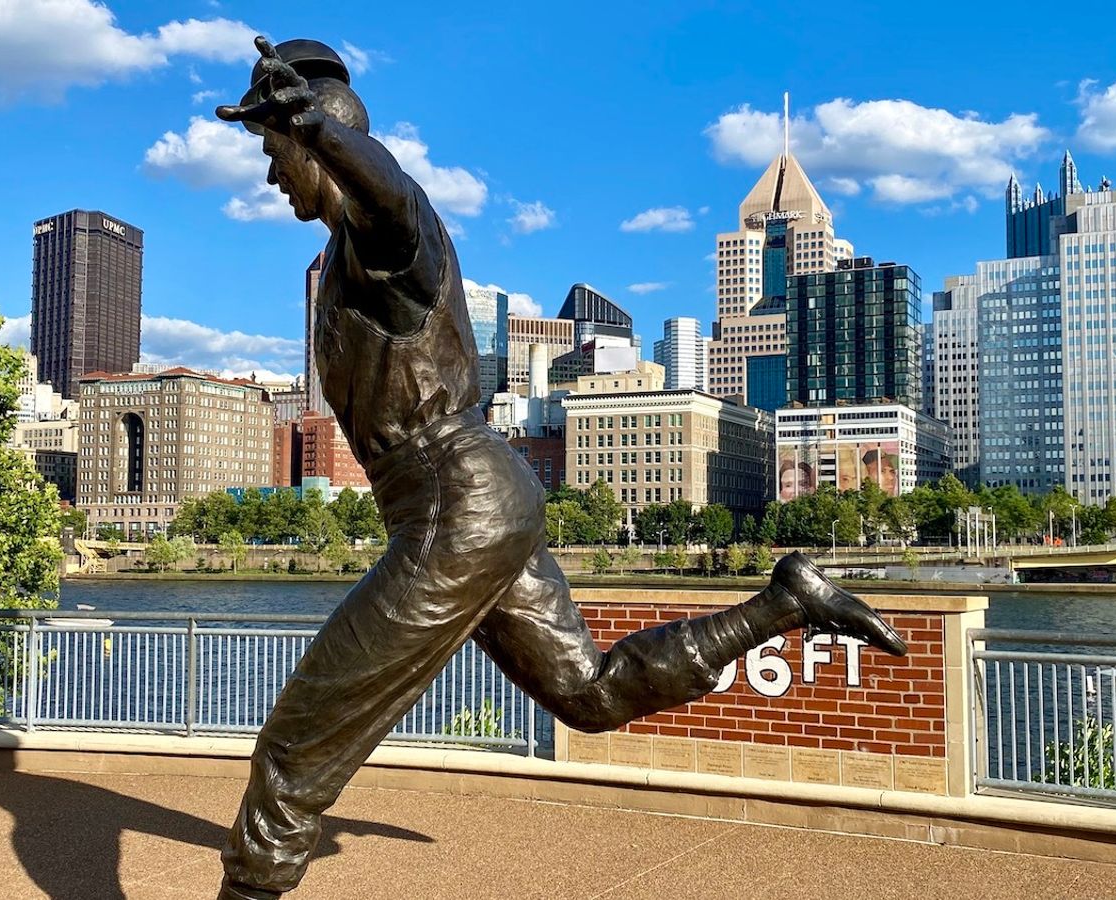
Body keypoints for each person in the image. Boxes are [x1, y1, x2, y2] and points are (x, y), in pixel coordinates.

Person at [212, 37, 907, 899]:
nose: (274, 172)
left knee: (295, 748)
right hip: (484, 505)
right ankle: (785, 601)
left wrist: (316, 124)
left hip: (454, 509)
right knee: (589, 693)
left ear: (318, 144)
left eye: (276, 153)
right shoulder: (347, 264)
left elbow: (391, 197)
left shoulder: (390, 244)